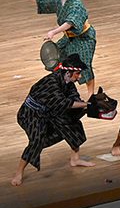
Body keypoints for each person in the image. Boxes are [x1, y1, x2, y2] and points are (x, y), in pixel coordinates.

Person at [11, 54, 95, 186]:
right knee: (37, 140)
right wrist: (87, 105)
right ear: (68, 72)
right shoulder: (51, 83)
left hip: (49, 111)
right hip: (30, 114)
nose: (79, 77)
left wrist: (85, 105)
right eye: (77, 74)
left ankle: (75, 159)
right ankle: (19, 172)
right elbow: (63, 103)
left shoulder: (68, 82)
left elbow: (74, 98)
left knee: (72, 123)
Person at [14, 0, 97, 97]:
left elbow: (70, 22)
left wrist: (54, 31)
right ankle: (64, 87)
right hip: (69, 37)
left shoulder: (76, 4)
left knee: (83, 63)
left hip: (84, 38)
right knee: (58, 59)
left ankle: (91, 94)